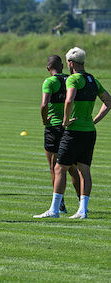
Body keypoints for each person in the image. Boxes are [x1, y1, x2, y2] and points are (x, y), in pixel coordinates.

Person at [34, 47, 111, 219]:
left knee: (59, 168)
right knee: (84, 170)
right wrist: (95, 120)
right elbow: (108, 100)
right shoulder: (92, 79)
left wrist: (65, 120)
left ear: (70, 63)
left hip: (73, 131)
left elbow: (69, 100)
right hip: (90, 131)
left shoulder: (73, 79)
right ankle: (82, 210)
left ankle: (54, 210)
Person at [40, 55, 81, 213]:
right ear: (63, 66)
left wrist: (45, 120)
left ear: (47, 68)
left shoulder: (49, 82)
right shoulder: (71, 79)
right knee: (72, 167)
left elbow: (44, 104)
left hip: (54, 128)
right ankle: (81, 203)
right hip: (70, 126)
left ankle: (60, 205)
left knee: (54, 167)